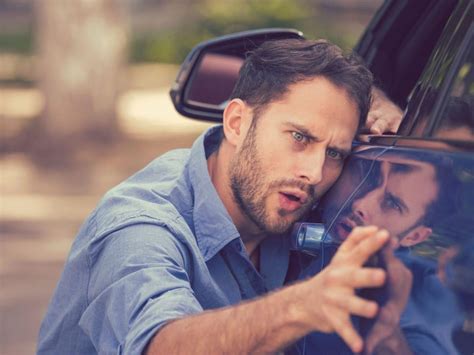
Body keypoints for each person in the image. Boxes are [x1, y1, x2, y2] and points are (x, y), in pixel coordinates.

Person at [37, 39, 405, 355]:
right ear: (236, 123)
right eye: (299, 138)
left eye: (336, 153)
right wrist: (302, 306)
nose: (314, 172)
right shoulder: (138, 226)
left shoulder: (316, 196)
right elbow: (158, 344)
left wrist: (385, 109)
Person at [300, 151, 464, 354]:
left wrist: (387, 337)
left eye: (392, 203)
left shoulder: (417, 295)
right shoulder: (309, 213)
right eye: (369, 178)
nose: (360, 204)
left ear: (415, 236)